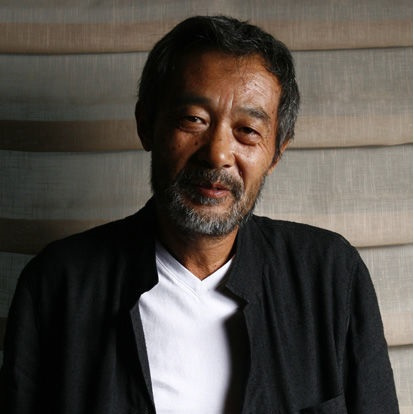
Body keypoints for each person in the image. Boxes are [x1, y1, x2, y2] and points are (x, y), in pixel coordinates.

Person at [1, 15, 398, 414]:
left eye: (248, 130)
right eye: (194, 120)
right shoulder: (58, 284)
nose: (218, 154)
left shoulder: (331, 275)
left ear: (276, 151)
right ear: (146, 125)